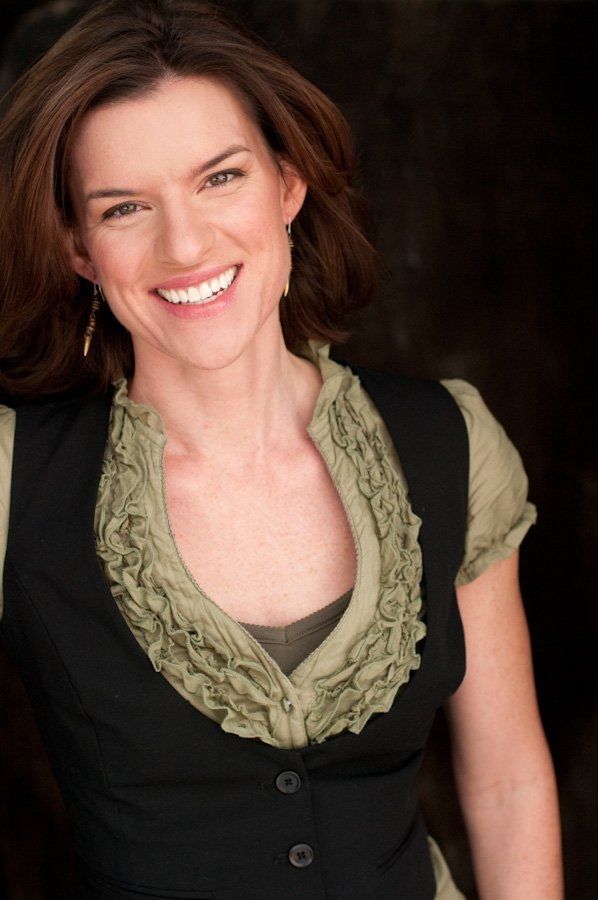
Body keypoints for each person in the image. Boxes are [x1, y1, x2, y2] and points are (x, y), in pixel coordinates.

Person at [0, 1, 562, 898]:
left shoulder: (451, 443)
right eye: (125, 207)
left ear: (288, 185)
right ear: (78, 247)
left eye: (220, 178)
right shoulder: (13, 476)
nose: (185, 244)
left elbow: (507, 781)